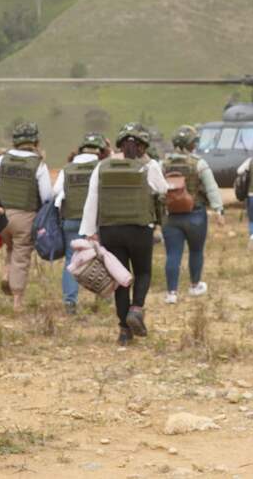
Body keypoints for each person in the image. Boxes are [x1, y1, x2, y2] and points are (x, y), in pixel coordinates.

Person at [79, 123, 168, 346]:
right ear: (143, 146)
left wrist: (90, 232)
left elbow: (92, 199)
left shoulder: (103, 166)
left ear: (118, 145)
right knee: (143, 272)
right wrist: (147, 161)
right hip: (140, 229)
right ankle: (136, 309)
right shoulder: (149, 166)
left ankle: (124, 330)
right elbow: (163, 189)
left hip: (111, 230)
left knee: (120, 279)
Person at [0, 121, 53, 312]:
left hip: (1, 217)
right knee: (21, 255)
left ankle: (6, 273)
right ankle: (17, 300)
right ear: (36, 141)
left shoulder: (2, 160)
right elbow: (47, 196)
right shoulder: (39, 164)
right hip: (25, 217)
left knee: (10, 246)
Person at [161, 125, 225, 304]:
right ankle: (195, 285)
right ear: (191, 144)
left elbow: (156, 189)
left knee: (173, 254)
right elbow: (212, 188)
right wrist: (218, 210)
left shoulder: (162, 165)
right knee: (196, 250)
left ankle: (171, 293)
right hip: (195, 215)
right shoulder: (199, 163)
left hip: (171, 216)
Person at [52, 132, 111, 315]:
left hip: (71, 220)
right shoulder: (102, 167)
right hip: (96, 222)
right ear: (100, 150)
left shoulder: (67, 168)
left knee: (72, 261)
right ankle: (104, 299)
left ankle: (70, 302)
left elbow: (55, 193)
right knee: (102, 258)